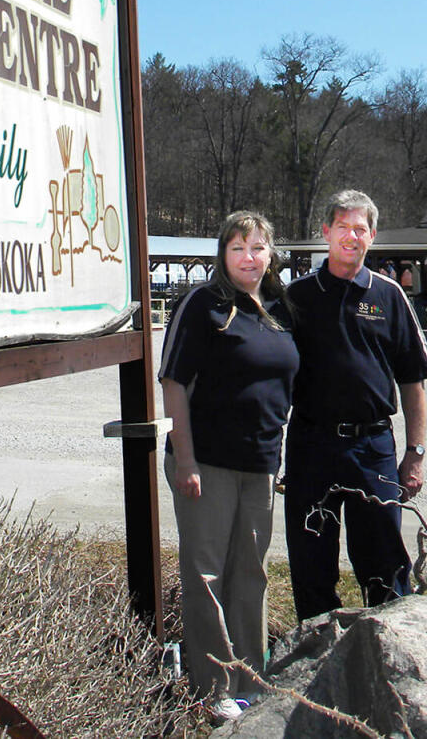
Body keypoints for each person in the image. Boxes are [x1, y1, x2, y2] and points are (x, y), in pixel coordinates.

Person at [158, 210, 298, 721]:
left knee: (251, 573)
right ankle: (212, 686)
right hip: (207, 464)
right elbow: (173, 382)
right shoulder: (204, 305)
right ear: (223, 254)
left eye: (258, 248)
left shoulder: (279, 308)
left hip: (259, 464)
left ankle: (251, 681)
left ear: (270, 254)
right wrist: (186, 461)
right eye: (238, 248)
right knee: (207, 574)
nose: (248, 257)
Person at [284, 189, 427, 621]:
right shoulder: (298, 297)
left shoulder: (389, 296)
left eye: (360, 229)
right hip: (312, 445)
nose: (351, 237)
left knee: (384, 565)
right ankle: (312, 663)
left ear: (372, 235)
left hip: (373, 449)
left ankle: (385, 661)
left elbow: (413, 383)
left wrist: (415, 454)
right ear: (326, 232)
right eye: (343, 227)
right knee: (311, 561)